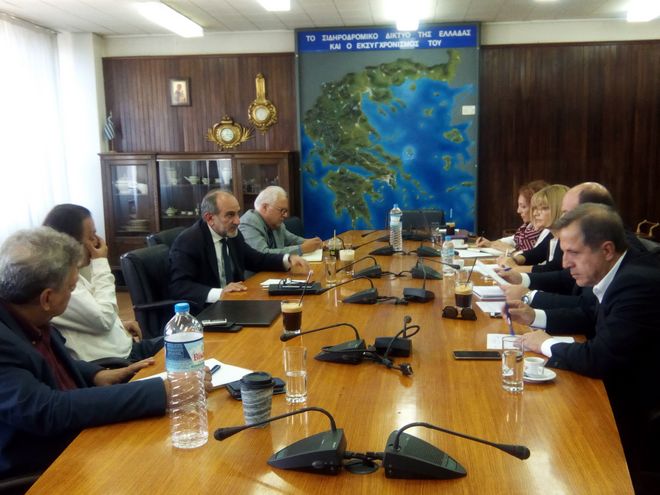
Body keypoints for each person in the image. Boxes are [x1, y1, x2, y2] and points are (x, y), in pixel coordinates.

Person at [0, 227, 187, 479]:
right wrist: (161, 391)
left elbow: (46, 364)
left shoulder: (29, 311)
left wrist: (96, 374)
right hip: (47, 462)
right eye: (71, 288)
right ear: (47, 298)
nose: (73, 294)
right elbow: (48, 410)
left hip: (80, 430)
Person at [516, 203, 660, 493]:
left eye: (573, 253)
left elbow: (600, 358)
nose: (565, 263)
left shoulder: (636, 283)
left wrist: (546, 343)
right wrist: (534, 318)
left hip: (637, 408)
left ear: (606, 250)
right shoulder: (617, 272)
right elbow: (588, 314)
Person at [42, 204, 163, 362]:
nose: (98, 242)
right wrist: (100, 263)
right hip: (115, 363)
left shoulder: (67, 272)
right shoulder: (58, 284)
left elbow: (94, 311)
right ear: (70, 242)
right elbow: (103, 319)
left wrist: (119, 324)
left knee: (187, 339)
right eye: (91, 236)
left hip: (128, 349)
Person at [169, 189, 310, 309]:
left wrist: (288, 259)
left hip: (236, 303)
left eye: (237, 213)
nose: (238, 221)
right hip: (206, 311)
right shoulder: (189, 241)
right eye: (230, 215)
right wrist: (220, 293)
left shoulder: (232, 234)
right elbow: (179, 286)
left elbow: (256, 259)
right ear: (210, 218)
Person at [499, 184, 569, 273]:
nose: (535, 213)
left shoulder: (568, 238)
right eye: (535, 208)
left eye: (544, 208)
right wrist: (514, 260)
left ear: (560, 209)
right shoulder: (551, 234)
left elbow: (553, 270)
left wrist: (514, 268)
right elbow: (536, 253)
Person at [239, 186, 322, 256]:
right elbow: (262, 255)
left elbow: (293, 240)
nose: (286, 215)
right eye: (282, 210)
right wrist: (301, 249)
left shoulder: (276, 224)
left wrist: (314, 243)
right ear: (265, 207)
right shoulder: (249, 223)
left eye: (286, 211)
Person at [476, 179, 548, 252]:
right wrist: (491, 243)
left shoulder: (547, 232)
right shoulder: (528, 227)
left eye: (523, 206)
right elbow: (514, 240)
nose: (518, 211)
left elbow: (535, 256)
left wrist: (511, 251)